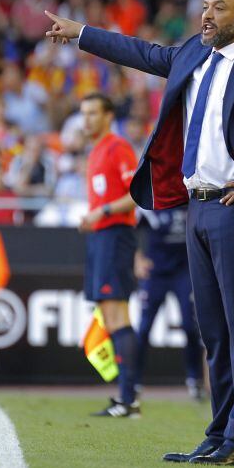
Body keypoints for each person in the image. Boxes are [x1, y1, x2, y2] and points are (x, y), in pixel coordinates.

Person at [46, 0, 234, 467]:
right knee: (213, 332)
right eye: (204, 7)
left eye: (219, 8)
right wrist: (81, 33)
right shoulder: (193, 53)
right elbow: (140, 51)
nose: (206, 16)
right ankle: (220, 435)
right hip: (195, 208)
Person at [78, 93, 140, 418]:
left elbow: (137, 194)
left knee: (117, 315)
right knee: (112, 314)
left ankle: (129, 399)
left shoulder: (118, 147)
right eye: (83, 114)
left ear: (108, 115)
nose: (86, 119)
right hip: (103, 235)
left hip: (116, 235)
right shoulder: (96, 151)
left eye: (92, 113)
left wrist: (99, 212)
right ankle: (127, 397)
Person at [134, 205, 205, 400]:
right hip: (155, 272)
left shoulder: (191, 197)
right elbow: (131, 229)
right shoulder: (150, 202)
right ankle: (133, 381)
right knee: (144, 328)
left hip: (184, 271)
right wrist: (137, 258)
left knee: (191, 327)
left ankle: (194, 380)